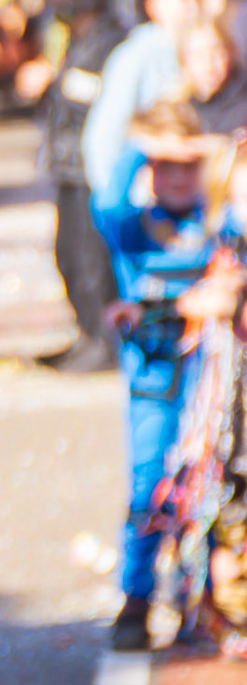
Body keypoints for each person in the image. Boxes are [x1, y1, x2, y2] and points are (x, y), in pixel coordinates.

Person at [94, 100, 225, 649]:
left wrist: (211, 153)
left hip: (212, 381)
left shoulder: (216, 221)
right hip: (153, 379)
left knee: (212, 486)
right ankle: (136, 598)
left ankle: (207, 600)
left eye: (187, 165)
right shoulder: (133, 227)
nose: (177, 176)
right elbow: (106, 199)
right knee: (150, 487)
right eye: (165, 164)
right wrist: (145, 145)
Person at [33, 0, 127, 372]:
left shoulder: (111, 39)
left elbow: (104, 96)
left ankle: (104, 341)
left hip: (92, 163)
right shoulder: (77, 38)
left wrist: (58, 84)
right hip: (68, 164)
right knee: (69, 255)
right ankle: (87, 332)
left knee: (91, 260)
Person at [82, 0, 205, 196]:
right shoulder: (135, 55)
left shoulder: (207, 52)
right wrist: (112, 194)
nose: (193, 9)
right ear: (154, 3)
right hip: (145, 193)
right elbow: (109, 127)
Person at [178, 19, 247, 136]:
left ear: (231, 53)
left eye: (217, 52)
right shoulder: (180, 111)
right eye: (198, 56)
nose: (209, 63)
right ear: (183, 62)